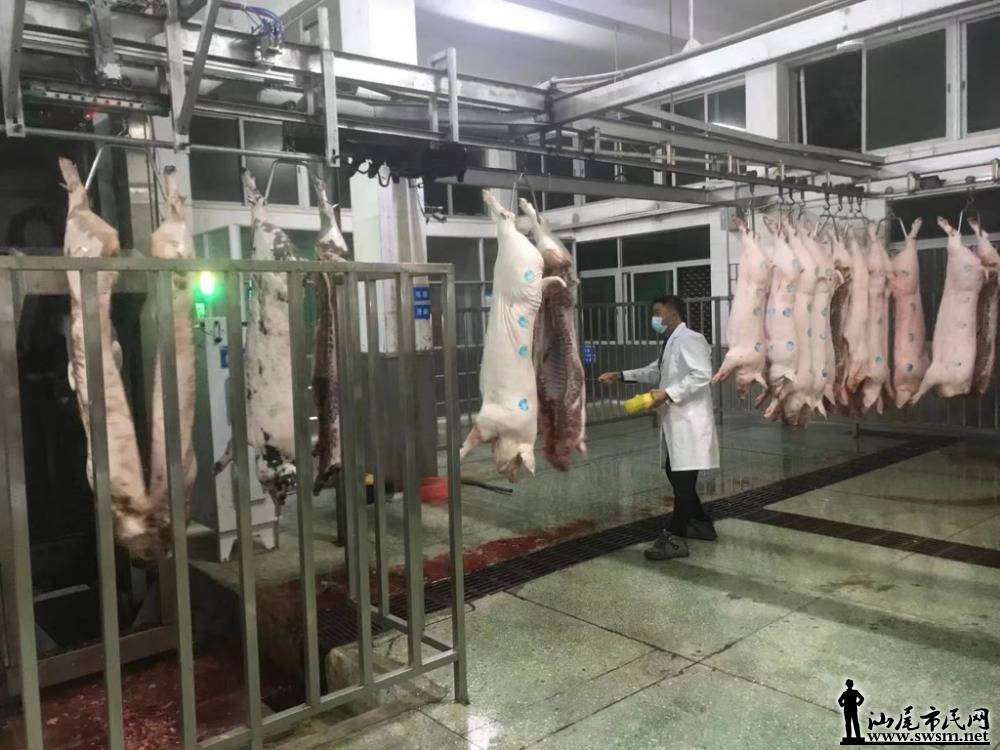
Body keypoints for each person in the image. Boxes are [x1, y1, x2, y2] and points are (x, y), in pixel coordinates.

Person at [599, 295, 720, 560]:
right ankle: (701, 523)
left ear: (673, 312)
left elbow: (701, 374)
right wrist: (621, 376)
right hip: (677, 421)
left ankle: (674, 538)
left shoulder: (690, 339)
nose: (654, 318)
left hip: (690, 422)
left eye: (657, 312)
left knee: (683, 481)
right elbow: (656, 371)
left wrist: (667, 393)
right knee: (675, 474)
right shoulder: (671, 342)